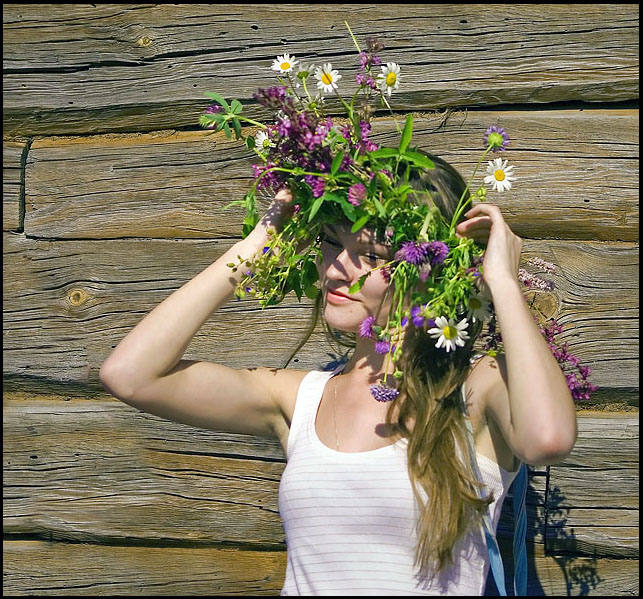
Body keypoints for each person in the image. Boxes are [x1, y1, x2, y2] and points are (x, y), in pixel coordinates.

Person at [99, 153, 577, 595]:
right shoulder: (299, 399)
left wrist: (502, 283)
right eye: (330, 243)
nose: (334, 270)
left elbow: (548, 439)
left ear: (434, 268)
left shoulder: (474, 391)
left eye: (369, 255)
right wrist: (260, 240)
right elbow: (131, 375)